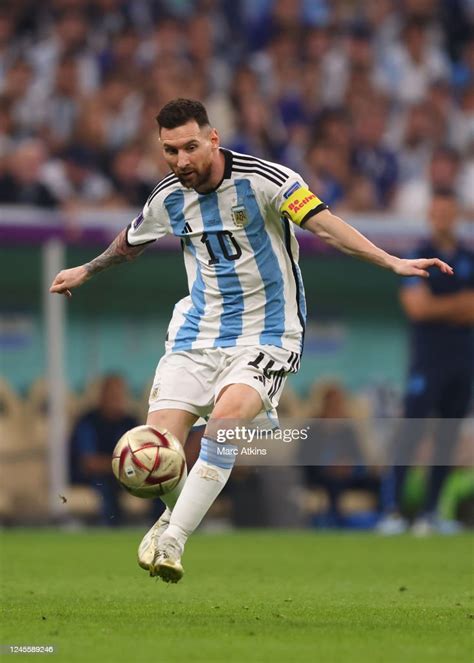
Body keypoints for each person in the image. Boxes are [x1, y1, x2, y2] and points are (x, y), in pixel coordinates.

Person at [50, 98, 453, 582]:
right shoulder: (168, 197)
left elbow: (327, 228)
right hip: (197, 333)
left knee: (225, 424)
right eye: (170, 151)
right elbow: (130, 241)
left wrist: (390, 261)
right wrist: (86, 270)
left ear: (214, 138)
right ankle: (169, 517)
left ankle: (174, 539)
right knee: (158, 449)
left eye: (191, 147)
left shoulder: (268, 180)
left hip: (267, 332)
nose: (181, 161)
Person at [379, 188, 474, 534]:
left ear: (457, 215)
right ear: (430, 216)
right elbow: (417, 308)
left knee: (447, 437)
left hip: (463, 361)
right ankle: (392, 511)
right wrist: (461, 304)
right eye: (436, 213)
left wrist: (440, 308)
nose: (442, 218)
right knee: (412, 432)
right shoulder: (419, 255)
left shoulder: (469, 256)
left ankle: (432, 512)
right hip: (427, 360)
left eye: (448, 212)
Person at [69, 374, 139, 525]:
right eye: (112, 394)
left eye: (120, 394)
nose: (117, 399)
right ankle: (110, 530)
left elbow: (141, 458)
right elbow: (89, 463)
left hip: (125, 476)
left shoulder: (130, 422)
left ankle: (159, 528)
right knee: (105, 486)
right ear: (102, 395)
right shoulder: (88, 422)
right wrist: (122, 464)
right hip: (93, 479)